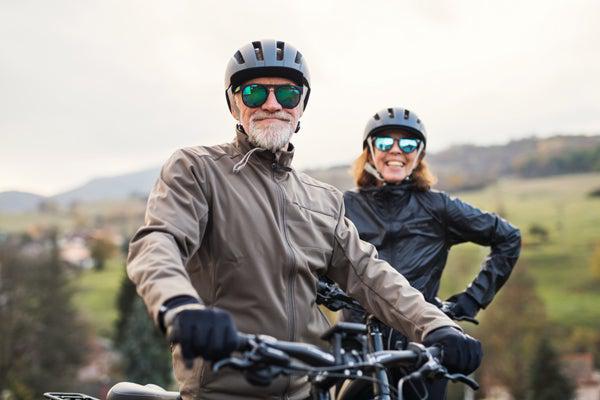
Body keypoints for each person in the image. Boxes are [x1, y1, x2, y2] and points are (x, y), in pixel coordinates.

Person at [127, 41, 483, 400]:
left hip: (313, 388)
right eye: (254, 92)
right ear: (234, 104)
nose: (272, 104)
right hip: (225, 388)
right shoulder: (198, 170)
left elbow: (372, 275)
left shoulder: (323, 199)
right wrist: (179, 307)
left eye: (287, 93)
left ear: (301, 105)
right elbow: (158, 242)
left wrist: (438, 327)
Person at [343, 106, 521, 399]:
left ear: (420, 155)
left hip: (422, 350)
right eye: (385, 142)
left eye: (409, 144)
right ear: (370, 151)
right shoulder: (344, 206)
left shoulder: (438, 207)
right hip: (355, 347)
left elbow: (508, 237)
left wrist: (470, 301)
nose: (396, 151)